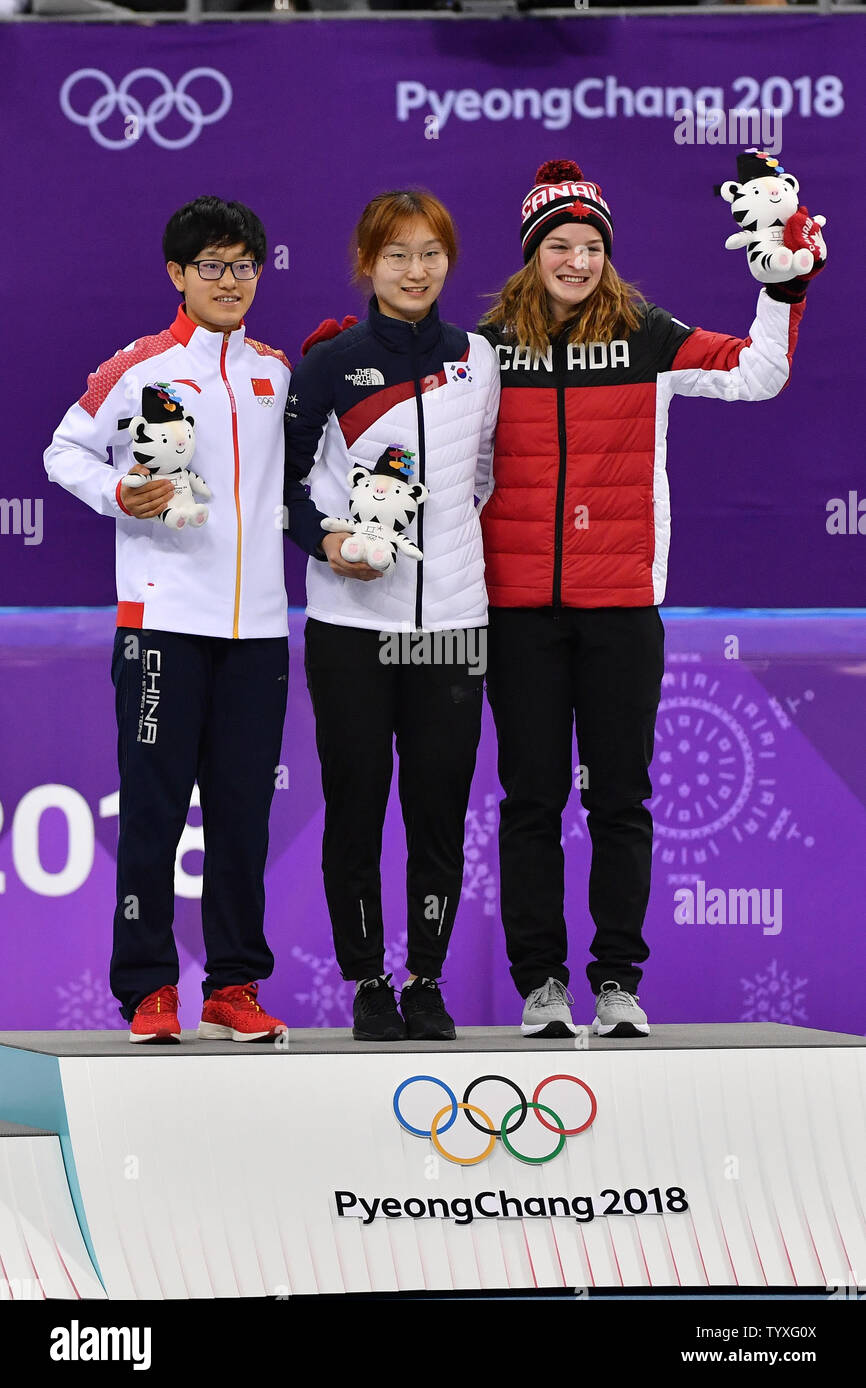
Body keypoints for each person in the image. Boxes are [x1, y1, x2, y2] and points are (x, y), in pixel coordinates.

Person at [478, 155, 822, 1040]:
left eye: (590, 245)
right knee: (529, 801)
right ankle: (542, 984)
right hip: (517, 610)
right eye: (560, 244)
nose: (577, 261)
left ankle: (618, 981)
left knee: (621, 800)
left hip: (623, 604)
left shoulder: (644, 333)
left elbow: (758, 373)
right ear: (531, 254)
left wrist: (781, 293)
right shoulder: (486, 349)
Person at [44, 196, 291, 1044]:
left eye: (245, 265)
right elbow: (63, 449)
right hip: (162, 625)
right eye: (213, 267)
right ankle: (149, 989)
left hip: (258, 632)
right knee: (152, 809)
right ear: (177, 276)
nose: (231, 281)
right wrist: (120, 494)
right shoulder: (141, 365)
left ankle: (234, 985)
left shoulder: (274, 371)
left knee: (241, 815)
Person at [283, 189, 500, 1042]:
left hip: (452, 625)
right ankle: (368, 978)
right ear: (366, 264)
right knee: (357, 806)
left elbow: (481, 475)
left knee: (440, 809)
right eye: (397, 254)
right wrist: (330, 543)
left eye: (431, 253)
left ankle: (427, 979)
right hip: (350, 631)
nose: (416, 271)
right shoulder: (329, 365)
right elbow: (288, 490)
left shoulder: (476, 359)